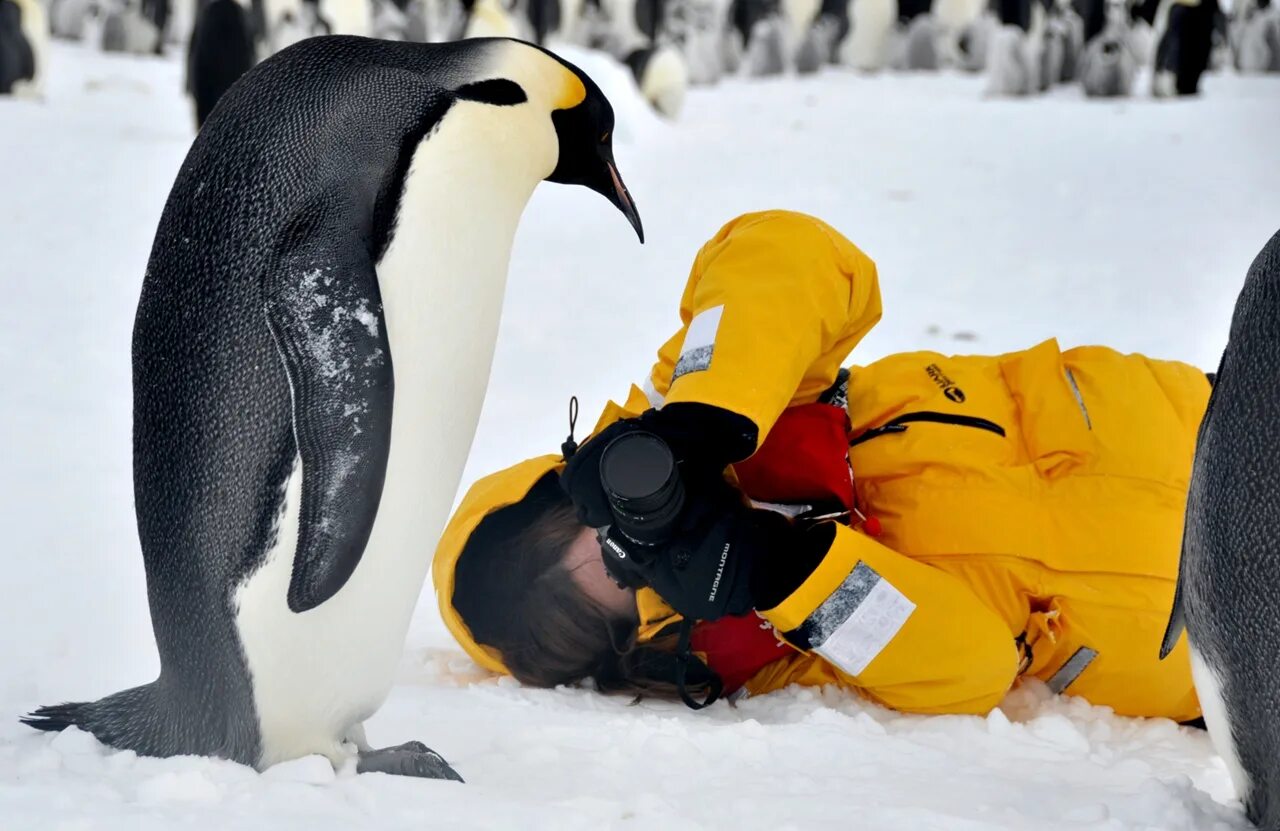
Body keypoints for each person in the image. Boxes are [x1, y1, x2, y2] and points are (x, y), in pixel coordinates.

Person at [432, 210, 1209, 720]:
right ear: (622, 644)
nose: (639, 553)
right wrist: (785, 573)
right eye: (632, 577)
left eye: (611, 536)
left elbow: (794, 251)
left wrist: (707, 415)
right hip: (1226, 622)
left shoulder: (714, 404)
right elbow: (972, 667)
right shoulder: (767, 646)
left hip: (1211, 423)